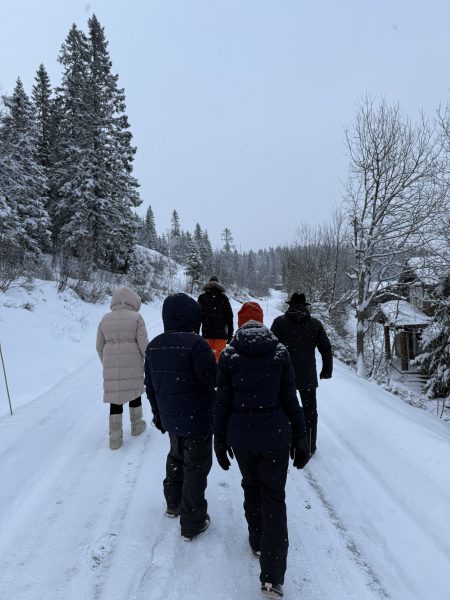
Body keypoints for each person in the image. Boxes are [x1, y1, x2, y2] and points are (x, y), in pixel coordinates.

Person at [214, 301, 310, 599]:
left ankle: (257, 540)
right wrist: (301, 435)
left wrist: (219, 438)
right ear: (262, 322)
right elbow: (290, 399)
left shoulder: (229, 354)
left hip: (242, 437)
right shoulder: (279, 352)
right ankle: (272, 578)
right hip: (275, 436)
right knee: (274, 497)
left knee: (251, 485)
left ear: (241, 323)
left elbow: (222, 402)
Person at [145, 293, 217, 541]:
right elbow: (212, 381)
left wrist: (158, 413)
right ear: (193, 317)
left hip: (171, 419)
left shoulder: (154, 345)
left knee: (176, 456)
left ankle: (173, 503)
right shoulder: (198, 345)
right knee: (196, 468)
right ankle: (193, 521)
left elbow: (150, 385)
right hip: (197, 419)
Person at [270, 292, 333, 455]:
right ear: (305, 306)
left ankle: (288, 441)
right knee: (310, 410)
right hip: (307, 374)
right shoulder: (315, 324)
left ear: (289, 305)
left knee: (285, 408)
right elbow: (325, 348)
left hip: (284, 373)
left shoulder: (279, 323)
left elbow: (270, 348)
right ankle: (310, 445)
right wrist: (327, 370)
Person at [96, 287, 149, 450]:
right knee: (134, 394)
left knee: (115, 400)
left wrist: (107, 363)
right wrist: (148, 361)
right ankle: (137, 425)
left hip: (112, 366)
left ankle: (115, 438)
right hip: (133, 365)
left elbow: (99, 346)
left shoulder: (105, 319)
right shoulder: (136, 318)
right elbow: (144, 345)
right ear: (133, 301)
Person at [197, 275, 234, 362]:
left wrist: (196, 333)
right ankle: (218, 374)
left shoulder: (202, 298)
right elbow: (229, 317)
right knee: (219, 360)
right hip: (221, 335)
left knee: (206, 360)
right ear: (218, 285)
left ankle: (207, 374)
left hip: (206, 333)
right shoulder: (224, 298)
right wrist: (230, 334)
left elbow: (197, 317)